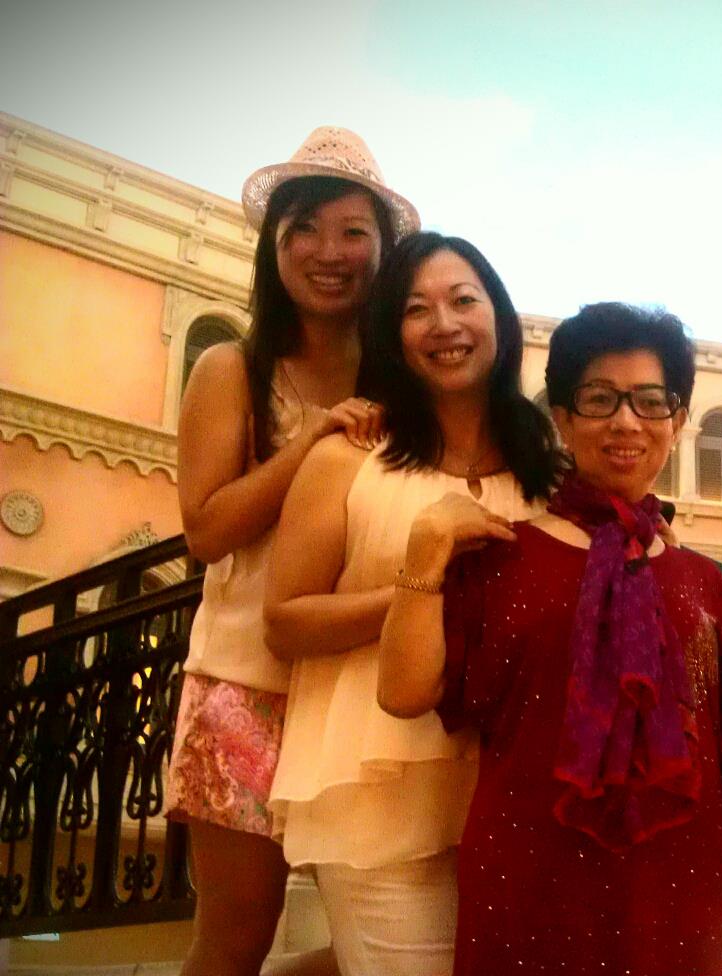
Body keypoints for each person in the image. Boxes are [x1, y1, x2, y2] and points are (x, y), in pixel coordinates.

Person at [376, 302, 722, 975]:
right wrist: (425, 551)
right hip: (531, 881)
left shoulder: (699, 579)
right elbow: (404, 693)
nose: (626, 421)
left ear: (677, 421)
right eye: (599, 399)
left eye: (650, 401)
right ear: (563, 418)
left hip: (676, 888)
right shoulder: (499, 556)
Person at [262, 232, 562, 975]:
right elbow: (285, 620)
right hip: (379, 797)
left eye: (463, 300)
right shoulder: (347, 457)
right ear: (390, 333)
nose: (444, 324)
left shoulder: (548, 468)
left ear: (498, 315)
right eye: (416, 309)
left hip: (516, 794)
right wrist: (418, 588)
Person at [165, 126, 415, 976]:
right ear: (273, 247)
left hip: (361, 690)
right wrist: (311, 440)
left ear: (383, 251)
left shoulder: (403, 384)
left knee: (390, 940)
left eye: (353, 231)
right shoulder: (232, 368)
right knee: (236, 936)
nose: (328, 252)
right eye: (303, 228)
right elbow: (206, 530)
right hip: (245, 687)